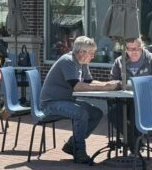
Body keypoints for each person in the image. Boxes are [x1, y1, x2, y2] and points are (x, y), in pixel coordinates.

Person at [41, 36, 120, 164]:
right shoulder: (68, 61)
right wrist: (106, 87)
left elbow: (89, 82)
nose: (93, 56)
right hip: (51, 103)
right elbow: (78, 87)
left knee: (96, 113)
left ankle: (72, 144)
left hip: (66, 101)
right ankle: (80, 153)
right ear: (82, 52)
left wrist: (108, 84)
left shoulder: (82, 63)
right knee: (81, 113)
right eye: (91, 53)